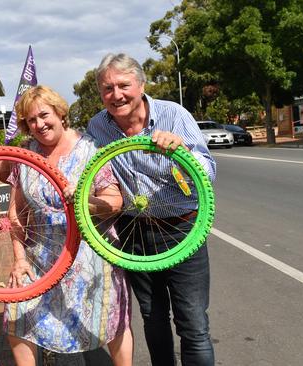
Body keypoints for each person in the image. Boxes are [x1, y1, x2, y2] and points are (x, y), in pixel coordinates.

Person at [86, 53, 216, 366]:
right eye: (107, 89)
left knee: (193, 323)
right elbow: (89, 169)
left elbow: (207, 173)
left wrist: (181, 152)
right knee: (153, 317)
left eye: (123, 85)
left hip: (183, 229)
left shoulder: (173, 115)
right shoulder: (97, 126)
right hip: (135, 234)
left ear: (141, 85)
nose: (116, 95)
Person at [4, 85, 133, 366]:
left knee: (109, 322)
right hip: (41, 256)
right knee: (16, 313)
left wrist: (86, 201)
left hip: (91, 252)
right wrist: (18, 258)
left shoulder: (91, 149)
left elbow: (115, 201)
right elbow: (17, 212)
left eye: (44, 115)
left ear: (61, 114)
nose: (38, 124)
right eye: (30, 120)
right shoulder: (25, 155)